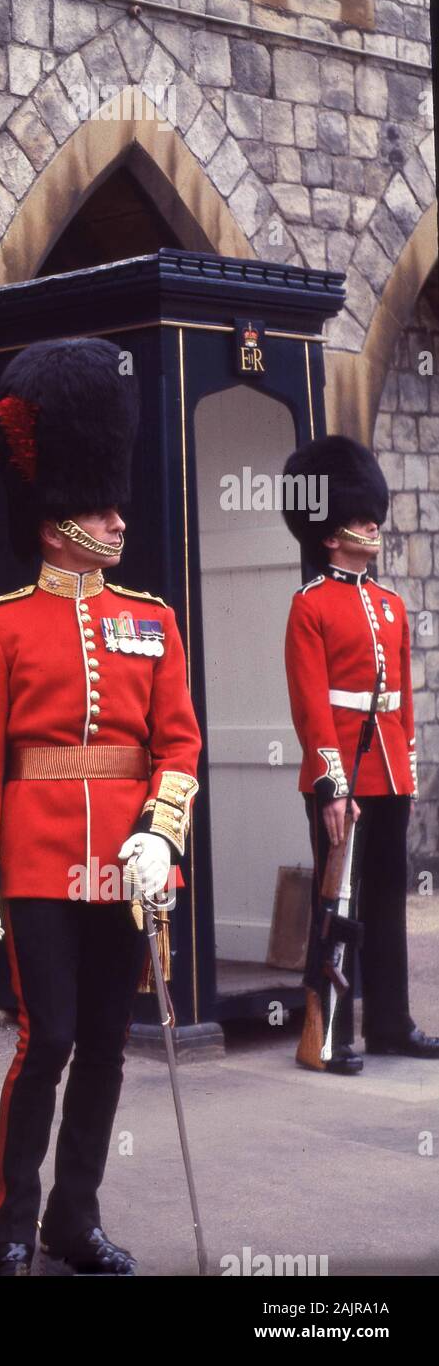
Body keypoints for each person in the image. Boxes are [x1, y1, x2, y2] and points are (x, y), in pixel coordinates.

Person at [0, 338, 202, 1277]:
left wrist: (159, 833)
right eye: (97, 506)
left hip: (126, 864)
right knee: (45, 1038)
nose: (115, 518)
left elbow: (177, 744)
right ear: (55, 521)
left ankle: (72, 1218)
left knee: (105, 1044)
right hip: (36, 859)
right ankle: (10, 1225)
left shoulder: (153, 619)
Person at [282, 435, 437, 1073]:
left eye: (371, 515)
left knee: (386, 901)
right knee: (335, 906)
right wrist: (332, 786)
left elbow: (397, 700)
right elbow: (312, 704)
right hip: (341, 776)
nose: (371, 524)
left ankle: (392, 1023)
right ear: (328, 533)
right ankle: (330, 1032)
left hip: (388, 772)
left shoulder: (392, 606)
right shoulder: (309, 606)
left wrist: (403, 769)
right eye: (356, 518)